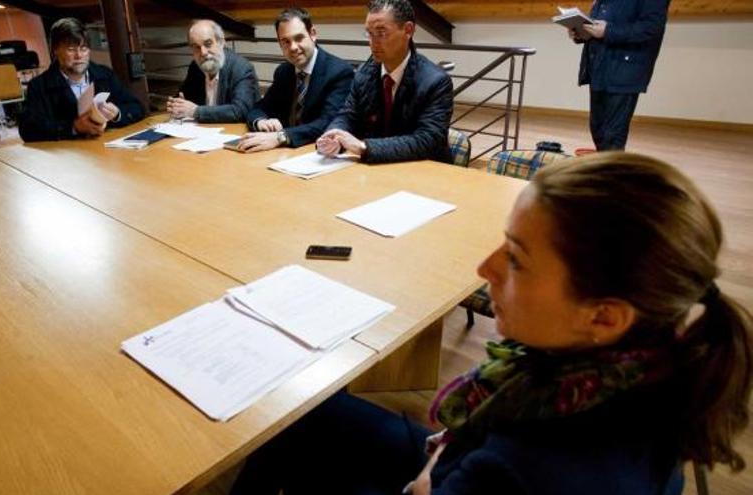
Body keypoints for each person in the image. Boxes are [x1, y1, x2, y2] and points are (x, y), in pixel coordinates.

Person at [230, 152, 753, 495]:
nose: (485, 269)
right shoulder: (659, 365)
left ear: (604, 315)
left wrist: (431, 480)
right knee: (303, 414)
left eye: (518, 259)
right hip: (461, 453)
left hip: (460, 469)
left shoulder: (523, 470)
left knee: (289, 434)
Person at [317, 0, 453, 164]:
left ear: (408, 30)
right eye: (369, 33)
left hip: (425, 172)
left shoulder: (436, 81)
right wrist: (334, 135)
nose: (373, 42)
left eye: (381, 33)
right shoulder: (363, 74)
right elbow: (348, 115)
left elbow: (427, 140)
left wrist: (364, 147)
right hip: (378, 171)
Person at [237, 8, 353, 152]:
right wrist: (261, 122)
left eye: (299, 38)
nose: (293, 47)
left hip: (315, 152)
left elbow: (328, 122)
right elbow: (260, 107)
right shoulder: (283, 71)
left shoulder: (339, 72)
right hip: (282, 153)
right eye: (285, 41)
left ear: (313, 34)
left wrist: (281, 137)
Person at [18, 18, 143, 142]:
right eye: (71, 49)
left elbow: (137, 107)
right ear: (55, 50)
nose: (79, 56)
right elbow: (28, 130)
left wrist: (117, 114)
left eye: (83, 48)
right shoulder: (39, 85)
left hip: (106, 148)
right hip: (67, 156)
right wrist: (73, 127)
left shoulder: (105, 74)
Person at [569, 0, 670, 151]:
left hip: (625, 71)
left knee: (612, 135)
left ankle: (612, 173)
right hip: (598, 68)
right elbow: (599, 23)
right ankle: (605, 171)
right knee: (598, 130)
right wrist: (581, 32)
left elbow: (651, 28)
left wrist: (608, 31)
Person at [167, 20, 259, 124]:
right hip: (202, 131)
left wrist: (195, 111)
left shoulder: (241, 68)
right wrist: (176, 104)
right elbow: (184, 95)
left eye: (208, 44)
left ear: (221, 42)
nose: (203, 52)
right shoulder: (195, 67)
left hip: (233, 132)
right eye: (196, 47)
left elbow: (240, 111)